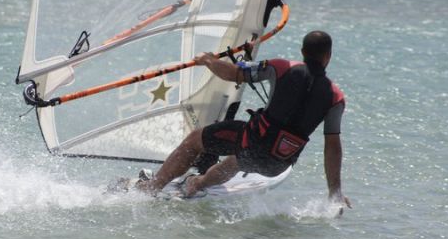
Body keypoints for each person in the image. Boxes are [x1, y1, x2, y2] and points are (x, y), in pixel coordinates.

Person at [138, 30, 350, 209]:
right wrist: (335, 192)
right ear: (328, 56)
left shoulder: (282, 68)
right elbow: (332, 147)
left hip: (252, 145)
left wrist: (208, 60)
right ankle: (198, 183)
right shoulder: (336, 98)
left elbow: (233, 74)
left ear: (303, 52)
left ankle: (152, 187)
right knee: (236, 160)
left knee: (195, 140)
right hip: (278, 164)